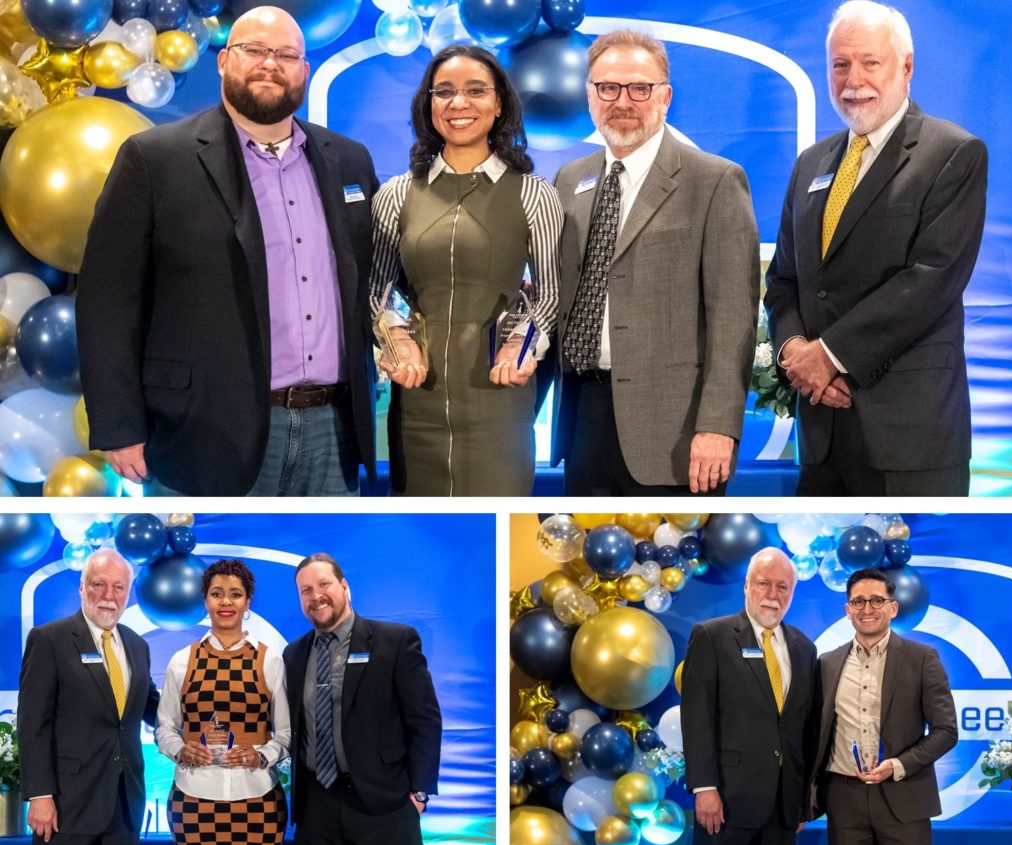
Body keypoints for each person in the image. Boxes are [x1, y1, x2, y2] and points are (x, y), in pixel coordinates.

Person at [77, 5, 379, 496]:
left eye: (285, 54)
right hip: (205, 430)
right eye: (254, 50)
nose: (269, 64)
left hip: (335, 428)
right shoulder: (153, 159)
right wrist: (118, 423)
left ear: (304, 70)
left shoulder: (348, 160)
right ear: (223, 62)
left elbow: (373, 278)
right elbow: (107, 300)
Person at [764, 0, 987, 496]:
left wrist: (830, 355)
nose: (852, 78)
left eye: (870, 61)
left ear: (906, 67)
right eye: (839, 64)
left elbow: (932, 277)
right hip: (820, 428)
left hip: (910, 436)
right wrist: (795, 351)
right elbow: (784, 280)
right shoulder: (810, 164)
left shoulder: (952, 153)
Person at [552, 30, 759, 496]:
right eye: (608, 87)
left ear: (664, 97)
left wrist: (719, 427)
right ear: (590, 96)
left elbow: (733, 321)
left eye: (638, 88)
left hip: (677, 436)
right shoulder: (570, 180)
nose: (622, 101)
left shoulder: (715, 180)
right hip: (583, 419)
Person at [370, 44, 562, 496]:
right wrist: (396, 339)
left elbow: (552, 295)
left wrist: (523, 343)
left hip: (500, 404)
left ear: (499, 104)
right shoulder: (395, 194)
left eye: (476, 91)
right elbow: (374, 290)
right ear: (428, 104)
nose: (459, 103)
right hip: (416, 404)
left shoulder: (534, 194)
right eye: (445, 92)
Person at [283, 553, 442, 845]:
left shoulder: (395, 642)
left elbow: (424, 721)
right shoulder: (293, 654)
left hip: (384, 805)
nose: (316, 596)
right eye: (306, 590)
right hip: (317, 808)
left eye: (324, 584)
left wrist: (419, 794)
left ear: (344, 587)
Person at [17, 549, 160, 845]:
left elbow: (150, 706)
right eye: (98, 584)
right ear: (82, 587)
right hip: (66, 804)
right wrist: (40, 796)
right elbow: (32, 726)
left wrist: (195, 715)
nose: (109, 595)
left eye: (119, 587)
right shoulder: (49, 639)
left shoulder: (138, 645)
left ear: (128, 592)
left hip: (124, 803)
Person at [808, 568, 957, 845]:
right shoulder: (827, 663)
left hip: (905, 794)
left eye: (876, 601)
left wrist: (898, 765)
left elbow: (946, 731)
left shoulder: (922, 659)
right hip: (843, 798)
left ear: (893, 607)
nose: (867, 609)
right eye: (858, 602)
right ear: (848, 610)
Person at [680, 548, 817, 845]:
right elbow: (697, 717)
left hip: (783, 809)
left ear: (793, 592)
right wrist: (704, 787)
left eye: (782, 587)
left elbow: (804, 728)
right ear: (746, 586)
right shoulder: (712, 636)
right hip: (725, 802)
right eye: (763, 583)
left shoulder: (804, 649)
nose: (772, 595)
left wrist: (801, 803)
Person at [155, 560, 290, 845]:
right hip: (193, 798)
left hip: (258, 797)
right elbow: (164, 728)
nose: (226, 602)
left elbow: (286, 733)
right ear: (206, 601)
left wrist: (261, 755)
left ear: (248, 602)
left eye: (235, 594)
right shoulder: (180, 661)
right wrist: (181, 751)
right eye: (217, 593)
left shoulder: (271, 661)